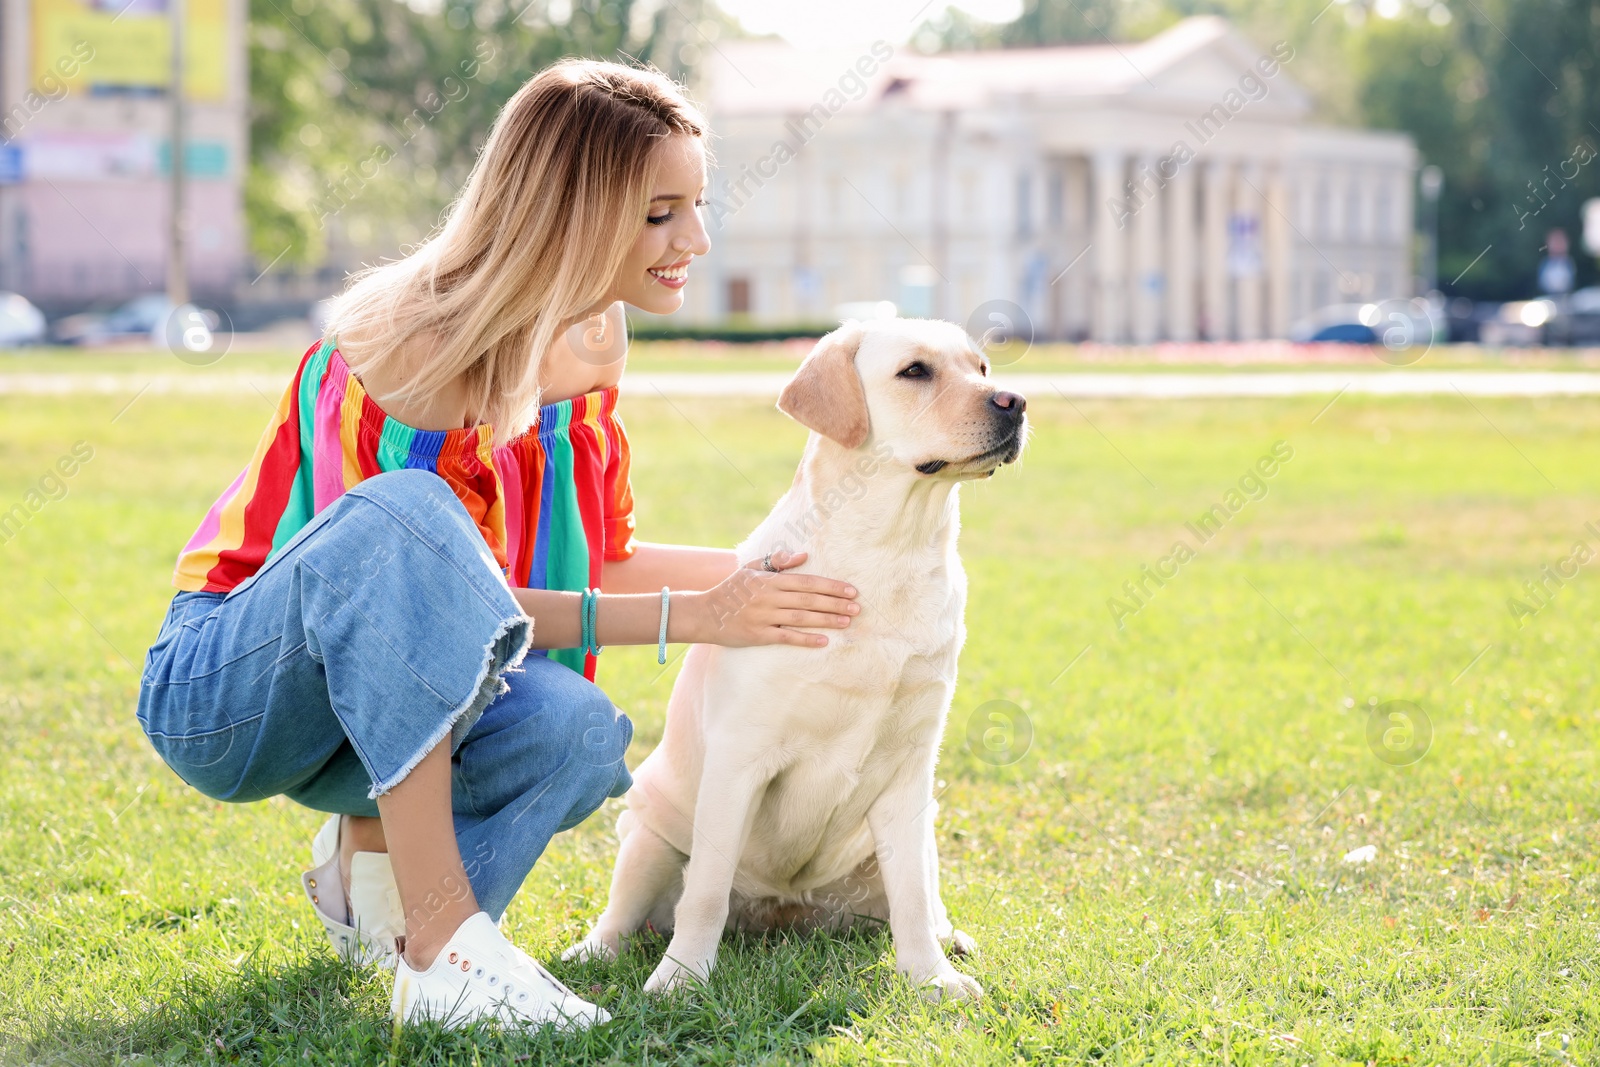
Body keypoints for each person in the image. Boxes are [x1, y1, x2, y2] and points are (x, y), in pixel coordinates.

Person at [136, 59, 861, 1032]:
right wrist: (694, 618)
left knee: (577, 728)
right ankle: (441, 942)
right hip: (230, 687)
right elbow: (412, 603)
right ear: (570, 211)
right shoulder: (411, 345)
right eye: (658, 213)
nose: (693, 238)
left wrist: (790, 577)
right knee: (412, 517)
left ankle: (393, 918)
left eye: (694, 204)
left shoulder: (593, 338)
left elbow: (592, 559)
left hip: (382, 703)